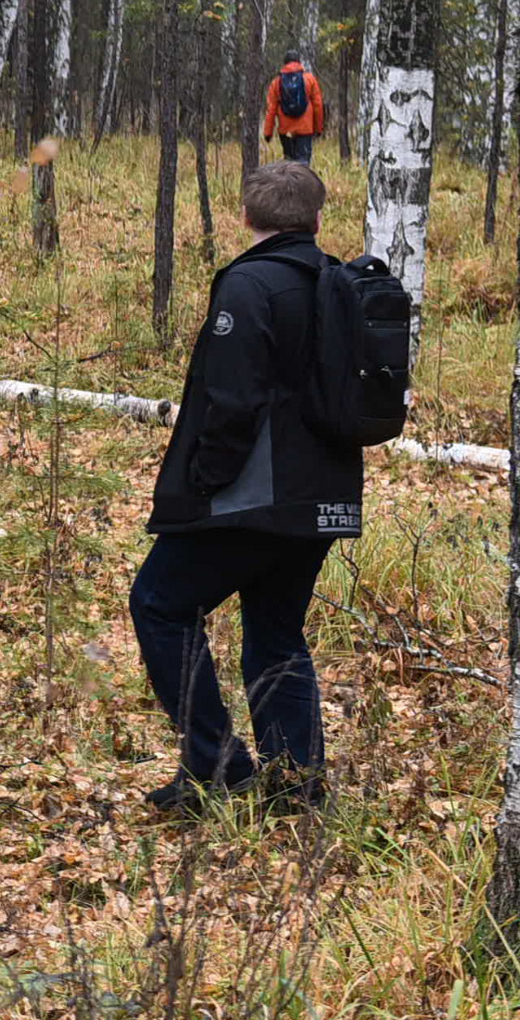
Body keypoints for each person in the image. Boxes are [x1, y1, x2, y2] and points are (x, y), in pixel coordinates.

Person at [131, 162, 362, 818]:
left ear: (245, 217)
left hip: (251, 497)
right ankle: (297, 783)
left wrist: (204, 479)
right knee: (276, 629)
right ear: (318, 220)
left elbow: (231, 398)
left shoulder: (248, 284)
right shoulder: (338, 281)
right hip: (321, 496)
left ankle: (217, 764)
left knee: (159, 602)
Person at [262, 54, 326, 163]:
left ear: (285, 63)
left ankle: (290, 180)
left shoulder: (277, 82)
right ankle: (303, 180)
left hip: (286, 130)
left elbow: (271, 110)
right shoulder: (309, 79)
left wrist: (268, 133)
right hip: (305, 129)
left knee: (289, 165)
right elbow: (318, 106)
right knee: (303, 164)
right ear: (299, 62)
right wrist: (318, 129)